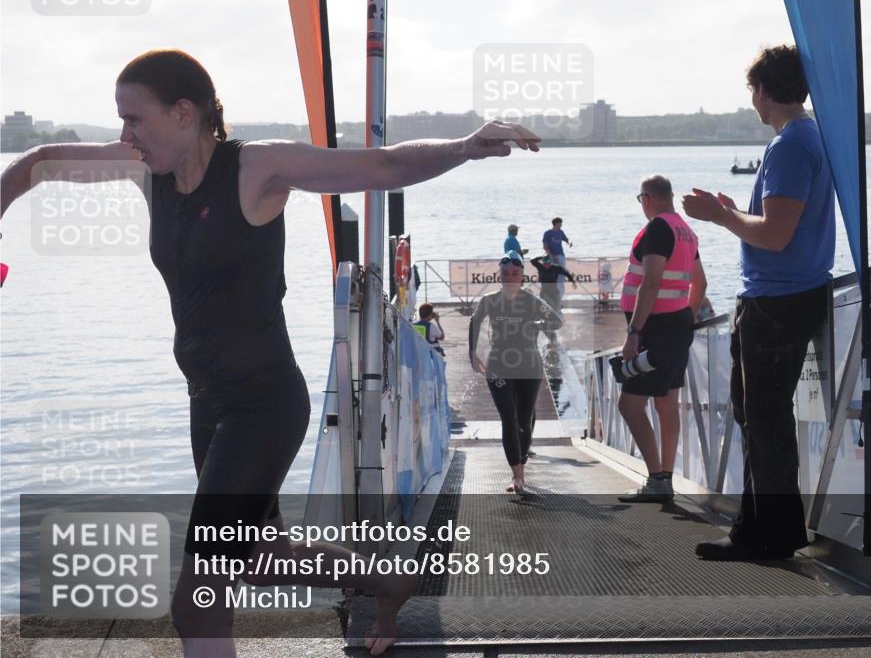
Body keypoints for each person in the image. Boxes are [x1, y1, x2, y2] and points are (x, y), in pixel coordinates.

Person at [0, 49, 541, 656]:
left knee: (196, 595)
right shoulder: (145, 168)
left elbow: (381, 164)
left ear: (184, 112)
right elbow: (40, 163)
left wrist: (465, 146)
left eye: (133, 119)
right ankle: (388, 579)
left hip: (263, 405)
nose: (125, 135)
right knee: (258, 557)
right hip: (205, 400)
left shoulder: (256, 170)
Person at [682, 44, 834, 561]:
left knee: (764, 418)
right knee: (758, 416)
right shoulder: (808, 137)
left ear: (764, 90)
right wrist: (731, 211)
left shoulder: (791, 145)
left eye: (752, 89)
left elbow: (774, 236)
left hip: (779, 300)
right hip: (786, 294)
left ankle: (768, 535)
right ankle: (765, 529)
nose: (752, 99)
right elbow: (778, 226)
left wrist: (718, 217)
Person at [612, 175, 707, 503]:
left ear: (647, 198)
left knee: (630, 403)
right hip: (677, 324)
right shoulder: (685, 230)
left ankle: (656, 480)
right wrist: (686, 318)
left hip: (654, 327)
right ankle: (665, 477)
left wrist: (634, 333)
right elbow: (701, 284)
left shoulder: (656, 229)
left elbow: (649, 283)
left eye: (640, 200)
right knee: (666, 402)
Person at [468, 251, 561, 493]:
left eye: (515, 274)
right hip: (499, 365)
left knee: (524, 418)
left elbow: (557, 321)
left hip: (529, 365)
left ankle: (522, 463)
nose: (510, 278)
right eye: (506, 274)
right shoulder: (489, 300)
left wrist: (536, 324)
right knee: (509, 418)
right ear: (500, 276)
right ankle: (517, 475)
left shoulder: (531, 300)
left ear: (522, 277)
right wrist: (472, 353)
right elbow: (475, 322)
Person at [542, 217, 572, 297]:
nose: (561, 225)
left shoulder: (560, 232)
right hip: (551, 257)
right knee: (551, 277)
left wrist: (569, 243)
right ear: (555, 224)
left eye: (561, 224)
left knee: (561, 277)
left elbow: (566, 239)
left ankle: (560, 297)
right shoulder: (547, 233)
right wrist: (551, 256)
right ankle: (551, 296)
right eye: (559, 224)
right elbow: (545, 247)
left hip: (560, 255)